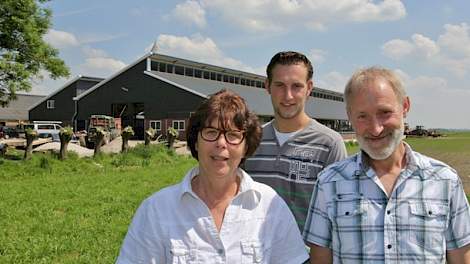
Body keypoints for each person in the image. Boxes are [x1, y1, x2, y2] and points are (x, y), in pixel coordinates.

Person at [116, 89, 308, 263]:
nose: (221, 143)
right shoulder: (156, 210)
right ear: (196, 142)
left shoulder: (270, 206)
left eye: (233, 135)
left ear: (246, 147)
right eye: (211, 132)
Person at [303, 67, 470, 263]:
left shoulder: (445, 180)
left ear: (405, 106)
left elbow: (460, 258)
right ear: (349, 115)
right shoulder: (329, 183)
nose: (376, 129)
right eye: (362, 116)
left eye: (384, 112)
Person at [243, 51, 347, 231]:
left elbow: (340, 212)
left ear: (309, 88)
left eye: (296, 86)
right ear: (267, 86)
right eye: (280, 85)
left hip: (306, 256)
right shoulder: (250, 139)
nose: (288, 96)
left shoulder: (329, 143)